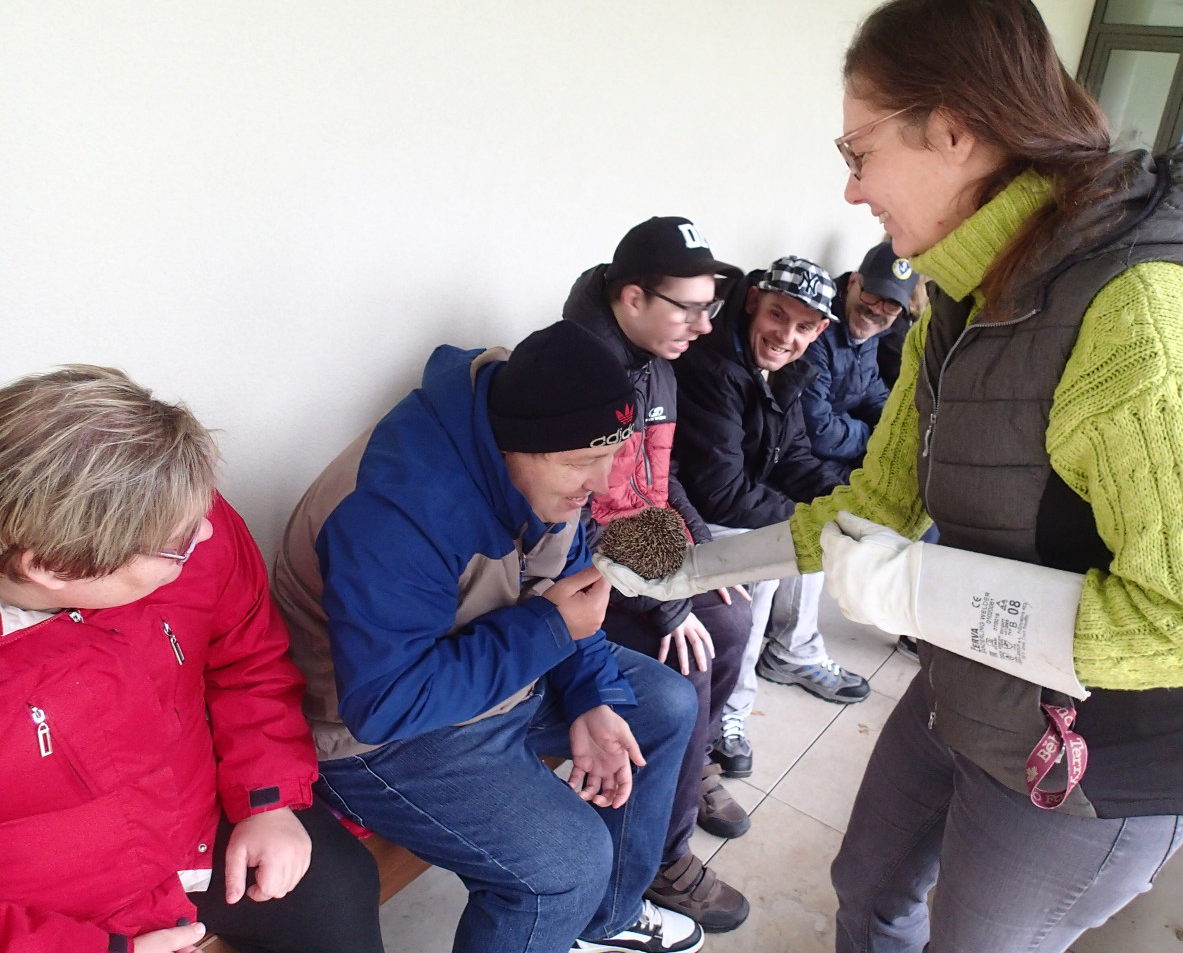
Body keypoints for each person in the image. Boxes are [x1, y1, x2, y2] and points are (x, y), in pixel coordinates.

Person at [596, 0, 1183, 950]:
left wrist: (923, 591)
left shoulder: (1152, 318)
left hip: (1096, 760)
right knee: (869, 887)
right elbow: (876, 504)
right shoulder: (959, 294)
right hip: (970, 688)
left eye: (859, 152)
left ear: (953, 131)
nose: (851, 191)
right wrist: (689, 567)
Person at [271, 321, 703, 953]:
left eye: (613, 454)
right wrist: (551, 630)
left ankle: (602, 923)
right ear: (515, 447)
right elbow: (385, 704)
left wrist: (590, 696)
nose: (605, 484)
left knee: (664, 704)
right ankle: (563, 907)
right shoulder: (394, 511)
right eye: (582, 463)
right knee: (566, 865)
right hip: (375, 734)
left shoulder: (545, 466)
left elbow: (566, 588)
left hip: (492, 670)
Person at [0, 365, 384, 953]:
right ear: (51, 567)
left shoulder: (171, 511)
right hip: (59, 914)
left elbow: (249, 661)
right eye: (175, 543)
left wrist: (268, 799)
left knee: (337, 886)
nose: (205, 533)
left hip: (197, 828)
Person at [562, 215, 753, 932]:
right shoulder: (577, 373)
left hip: (642, 553)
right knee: (686, 660)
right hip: (583, 573)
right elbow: (579, 517)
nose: (705, 326)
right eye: (690, 308)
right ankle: (666, 859)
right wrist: (672, 605)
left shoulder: (659, 366)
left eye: (711, 307)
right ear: (633, 296)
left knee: (732, 616)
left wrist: (702, 553)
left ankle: (692, 772)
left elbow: (661, 485)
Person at [671, 255, 872, 780]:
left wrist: (846, 508)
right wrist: (809, 520)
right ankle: (728, 714)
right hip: (688, 514)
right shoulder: (714, 366)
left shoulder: (788, 370)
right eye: (777, 316)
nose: (786, 336)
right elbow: (720, 493)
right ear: (755, 302)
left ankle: (792, 652)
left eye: (804, 327)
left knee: (822, 529)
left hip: (730, 502)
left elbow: (796, 458)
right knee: (774, 550)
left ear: (819, 331)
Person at [800, 241, 918, 481]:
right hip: (805, 459)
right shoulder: (817, 329)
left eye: (892, 304)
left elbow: (873, 391)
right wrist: (871, 436)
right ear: (853, 282)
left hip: (841, 451)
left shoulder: (869, 335)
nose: (877, 310)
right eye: (873, 293)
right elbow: (816, 429)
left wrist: (899, 427)